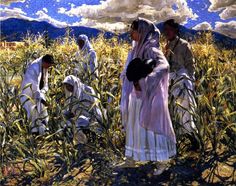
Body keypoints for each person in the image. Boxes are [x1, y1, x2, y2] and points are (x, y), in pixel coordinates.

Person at [120, 18, 176, 174]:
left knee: (153, 128)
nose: (131, 32)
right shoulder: (135, 49)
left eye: (134, 30)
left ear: (143, 32)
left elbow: (164, 66)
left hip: (150, 97)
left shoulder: (151, 49)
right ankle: (130, 159)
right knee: (135, 127)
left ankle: (162, 161)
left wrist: (146, 81)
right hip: (137, 96)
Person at [163, 19, 198, 146]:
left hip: (182, 81)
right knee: (172, 109)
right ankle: (176, 138)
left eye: (169, 29)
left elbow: (190, 65)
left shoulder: (184, 45)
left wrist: (189, 82)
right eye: (165, 30)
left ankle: (191, 137)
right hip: (169, 80)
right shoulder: (166, 46)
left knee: (184, 109)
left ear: (176, 30)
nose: (167, 32)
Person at [20, 54, 55, 135]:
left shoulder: (43, 66)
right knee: (32, 112)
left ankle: (44, 131)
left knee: (42, 112)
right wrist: (44, 102)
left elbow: (44, 83)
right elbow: (34, 87)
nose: (49, 67)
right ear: (44, 62)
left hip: (38, 93)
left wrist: (44, 92)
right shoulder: (34, 68)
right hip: (29, 93)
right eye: (48, 65)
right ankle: (34, 132)